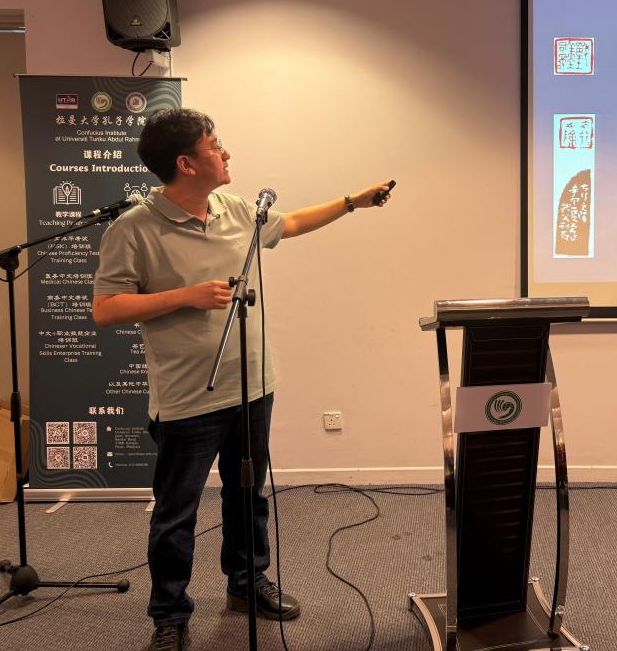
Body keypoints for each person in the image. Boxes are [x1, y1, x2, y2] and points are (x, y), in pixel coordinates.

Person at [92, 108, 392, 651]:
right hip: (186, 398)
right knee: (176, 513)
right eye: (214, 145)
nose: (226, 152)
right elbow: (106, 308)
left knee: (248, 494)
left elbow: (291, 223)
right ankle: (169, 615)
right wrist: (184, 295)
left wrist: (353, 202)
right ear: (186, 163)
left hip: (252, 385)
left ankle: (247, 584)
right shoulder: (132, 229)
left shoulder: (234, 209)